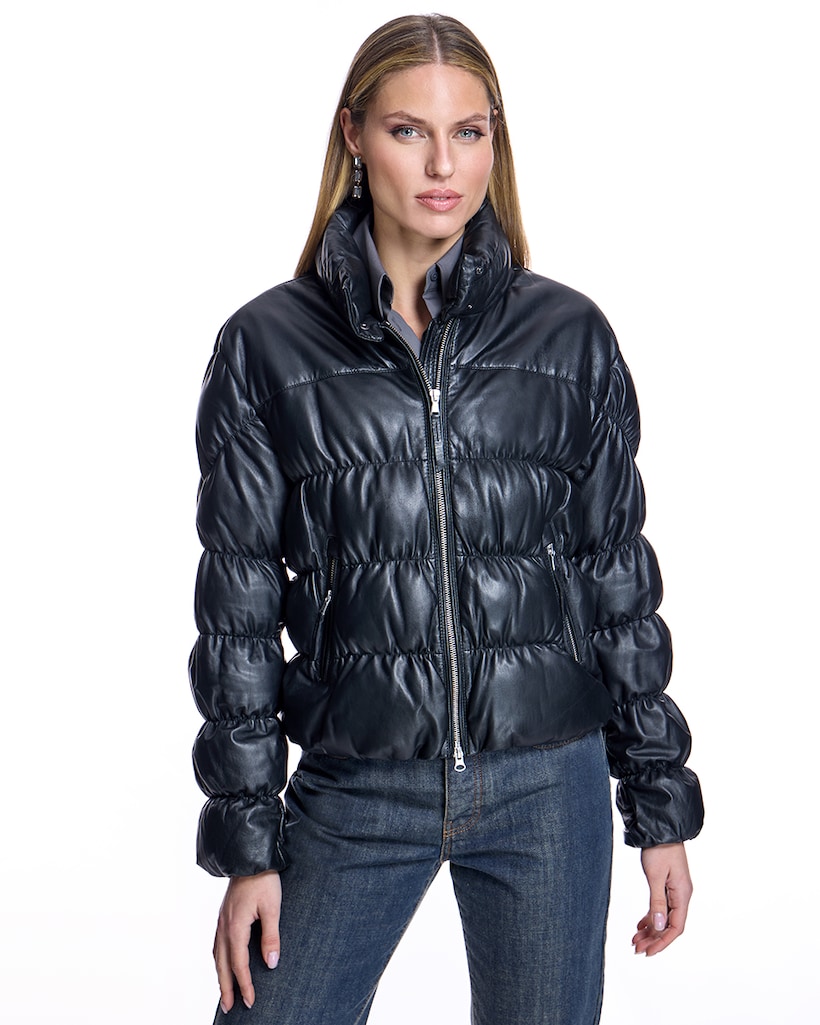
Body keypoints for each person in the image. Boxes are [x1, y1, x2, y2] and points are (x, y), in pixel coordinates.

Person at [190, 13, 704, 1024]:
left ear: (493, 144)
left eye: (468, 132)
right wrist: (249, 848)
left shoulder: (568, 337)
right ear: (353, 135)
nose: (441, 165)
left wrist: (658, 805)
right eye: (408, 130)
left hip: (546, 785)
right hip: (357, 783)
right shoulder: (267, 347)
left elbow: (617, 583)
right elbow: (236, 615)